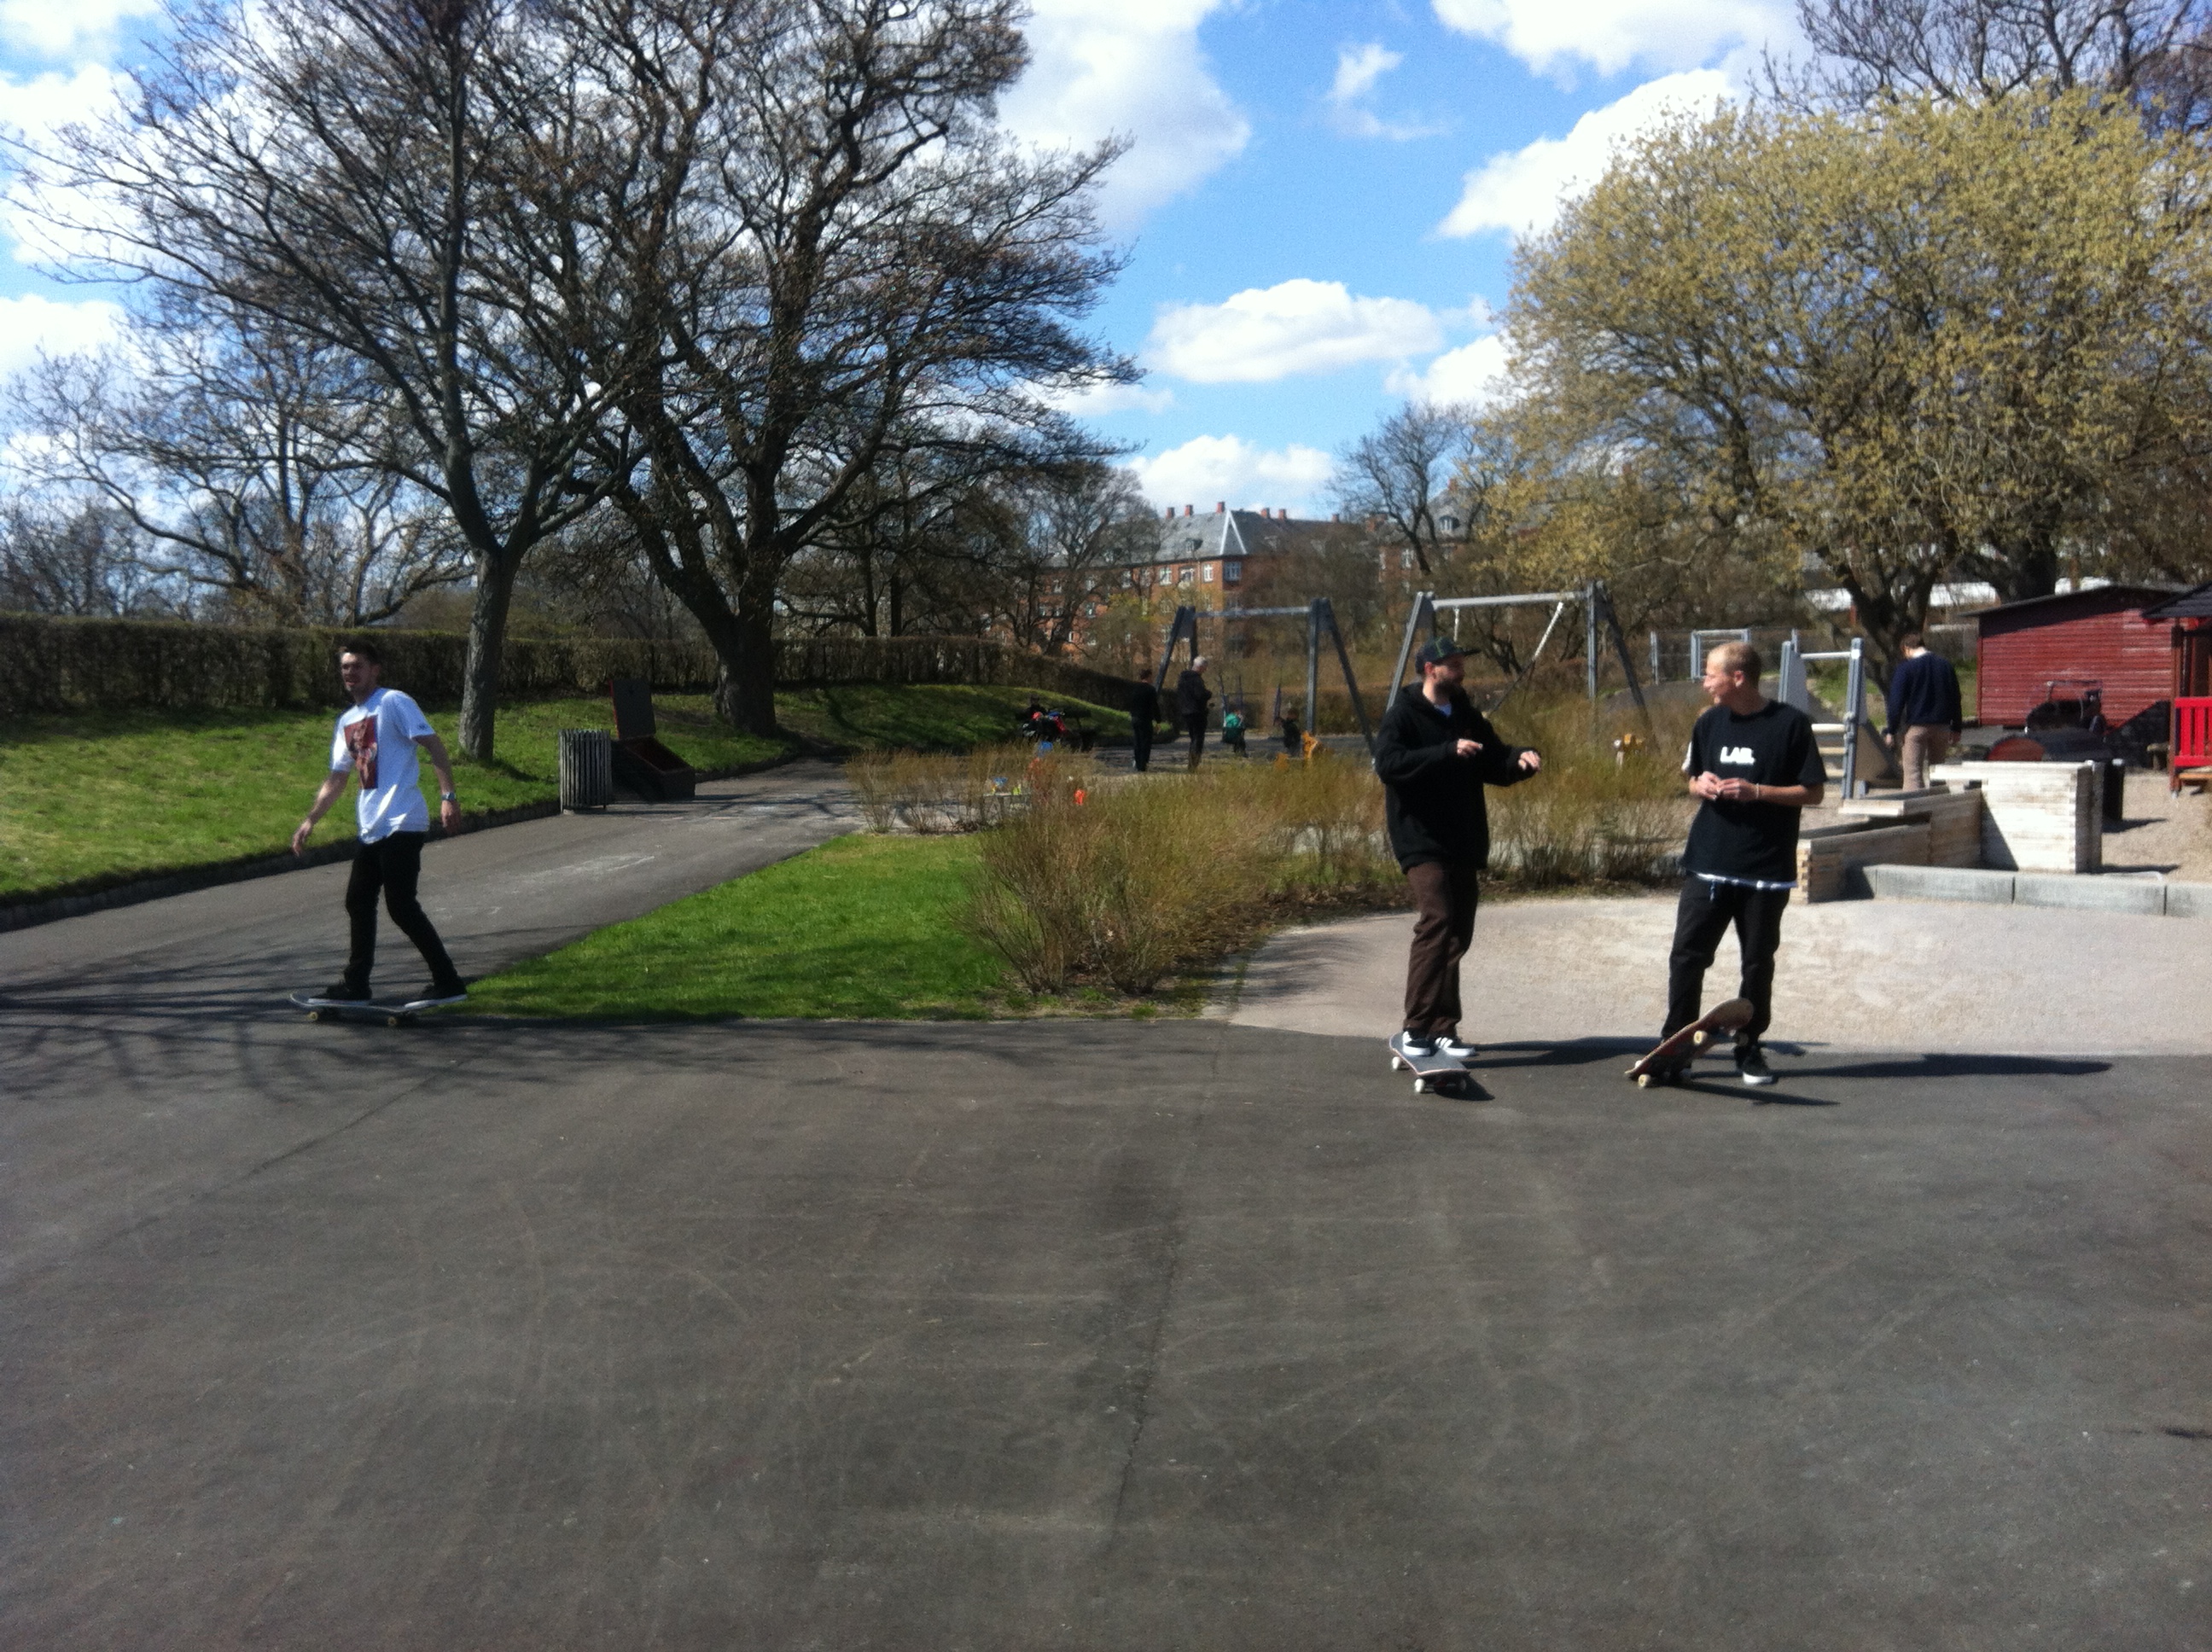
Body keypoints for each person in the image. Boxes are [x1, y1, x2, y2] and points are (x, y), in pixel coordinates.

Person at [1658, 641, 1826, 1086]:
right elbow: (1691, 776)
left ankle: (1749, 1048)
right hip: (1708, 862)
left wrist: (1758, 792)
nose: (1704, 681)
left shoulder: (1790, 725)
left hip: (1764, 870)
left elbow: (1813, 792)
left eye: (1710, 673)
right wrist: (1701, 784)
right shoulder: (1708, 722)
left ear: (1737, 677)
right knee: (1687, 958)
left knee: (1756, 962)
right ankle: (1675, 1046)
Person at [1373, 637, 1543, 1064]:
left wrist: (1521, 759)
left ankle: (1443, 1029)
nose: (1462, 669)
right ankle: (1415, 1028)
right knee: (1438, 920)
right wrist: (1446, 752)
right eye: (1453, 663)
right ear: (1431, 669)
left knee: (1458, 933)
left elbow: (1493, 762)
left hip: (1463, 837)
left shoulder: (1466, 713)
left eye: (1462, 662)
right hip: (1420, 838)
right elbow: (1389, 765)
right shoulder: (1403, 715)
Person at [291, 641, 468, 1004]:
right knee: (358, 902)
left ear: (375, 669)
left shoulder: (393, 702)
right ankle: (356, 985)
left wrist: (448, 796)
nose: (350, 674)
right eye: (345, 668)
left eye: (357, 666)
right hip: (371, 826)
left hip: (402, 819)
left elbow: (434, 746)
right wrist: (311, 820)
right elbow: (338, 777)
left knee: (401, 906)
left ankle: (448, 982)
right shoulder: (347, 721)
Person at [1884, 633, 1964, 791]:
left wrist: (1891, 730)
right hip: (1942, 727)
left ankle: (1916, 811)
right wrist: (1956, 728)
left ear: (1906, 649)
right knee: (1938, 772)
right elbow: (1955, 697)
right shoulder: (1945, 666)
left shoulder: (1906, 669)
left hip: (1917, 728)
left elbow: (1896, 703)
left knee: (1913, 774)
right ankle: (1939, 808)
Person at [1176, 654, 1213, 771]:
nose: (1205, 670)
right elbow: (1200, 695)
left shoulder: (1182, 679)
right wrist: (1208, 694)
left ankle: (1192, 763)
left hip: (1186, 712)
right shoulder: (1196, 679)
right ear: (1201, 667)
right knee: (1198, 739)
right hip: (1197, 712)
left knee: (1193, 737)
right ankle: (1193, 765)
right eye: (1204, 668)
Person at [1126, 675, 1161, 772]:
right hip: (1145, 719)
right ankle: (1143, 763)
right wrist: (1158, 720)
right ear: (1148, 678)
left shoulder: (1134, 688)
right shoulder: (1150, 690)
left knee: (1137, 741)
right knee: (1146, 741)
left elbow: (1130, 703)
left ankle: (1137, 762)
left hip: (1135, 718)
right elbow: (1154, 706)